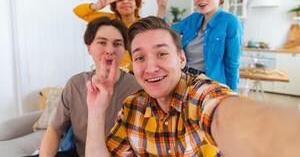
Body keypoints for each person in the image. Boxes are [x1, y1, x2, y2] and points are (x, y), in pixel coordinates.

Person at [86, 16, 300, 157]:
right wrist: (96, 111)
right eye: (140, 57)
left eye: (162, 53)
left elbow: (226, 114)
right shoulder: (133, 107)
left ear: (181, 59)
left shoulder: (200, 94)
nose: (150, 68)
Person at [38, 17, 141, 157]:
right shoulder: (75, 85)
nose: (110, 50)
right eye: (102, 42)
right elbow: (54, 129)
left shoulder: (137, 87)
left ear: (125, 50)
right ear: (89, 48)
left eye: (117, 44)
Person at [156, 0, 243, 91]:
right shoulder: (193, 18)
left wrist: (233, 95)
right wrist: (162, 6)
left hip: (210, 87)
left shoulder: (230, 22)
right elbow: (162, 33)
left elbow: (232, 64)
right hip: (183, 81)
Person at [74, 0, 175, 71]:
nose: (125, 2)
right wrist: (97, 6)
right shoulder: (109, 20)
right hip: (112, 72)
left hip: (137, 72)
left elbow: (157, 33)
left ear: (136, 4)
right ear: (115, 6)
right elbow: (78, 11)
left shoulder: (143, 23)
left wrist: (162, 7)